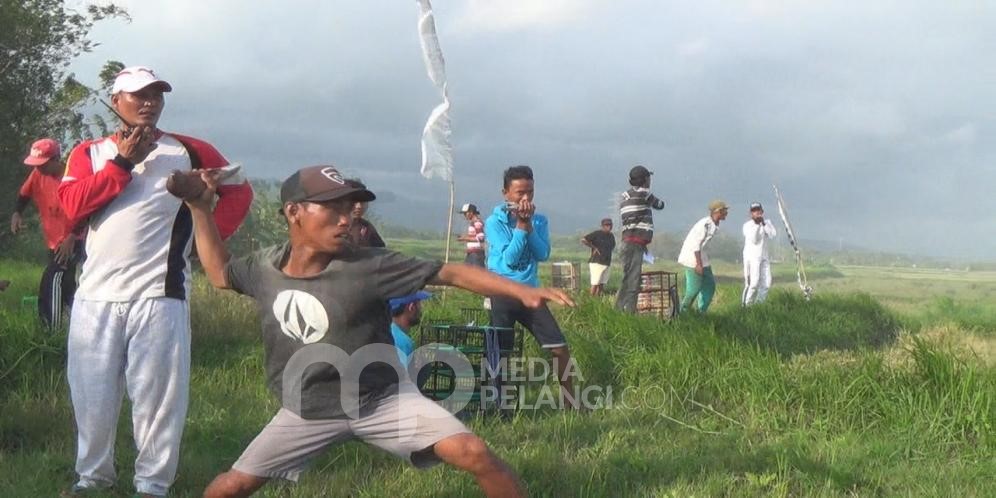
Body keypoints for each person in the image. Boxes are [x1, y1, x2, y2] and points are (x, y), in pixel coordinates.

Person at [187, 164, 573, 498]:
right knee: (229, 489)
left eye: (348, 209)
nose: (346, 219)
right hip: (307, 409)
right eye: (333, 208)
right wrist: (200, 208)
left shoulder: (369, 265)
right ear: (293, 212)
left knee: (476, 454)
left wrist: (523, 290)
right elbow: (221, 273)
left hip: (383, 399)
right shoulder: (266, 268)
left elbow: (450, 272)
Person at [56, 66, 253, 497]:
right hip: (95, 295)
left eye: (156, 95)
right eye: (137, 95)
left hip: (160, 294)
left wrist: (206, 239)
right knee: (92, 397)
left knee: (159, 400)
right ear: (116, 101)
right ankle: (93, 477)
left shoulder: (189, 150)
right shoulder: (89, 152)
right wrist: (122, 164)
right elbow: (70, 207)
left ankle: (152, 484)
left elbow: (239, 190)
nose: (148, 102)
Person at [485, 165, 577, 407]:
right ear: (505, 193)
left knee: (559, 347)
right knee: (500, 352)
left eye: (530, 192)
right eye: (519, 193)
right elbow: (509, 261)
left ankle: (571, 400)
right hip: (502, 292)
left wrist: (529, 225)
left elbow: (543, 253)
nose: (525, 198)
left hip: (531, 294)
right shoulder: (494, 222)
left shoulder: (539, 219)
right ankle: (499, 404)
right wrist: (521, 227)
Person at [10, 138, 80, 327]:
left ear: (56, 159)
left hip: (73, 239)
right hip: (53, 241)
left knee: (52, 280)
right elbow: (24, 194)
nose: (38, 168)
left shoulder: (73, 176)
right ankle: (78, 324)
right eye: (35, 165)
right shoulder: (37, 175)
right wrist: (17, 213)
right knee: (66, 286)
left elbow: (86, 210)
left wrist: (72, 237)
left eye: (42, 164)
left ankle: (51, 328)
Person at [615, 165, 665, 313]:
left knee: (627, 278)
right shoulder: (644, 194)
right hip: (634, 244)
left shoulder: (625, 195)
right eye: (648, 178)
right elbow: (660, 205)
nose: (650, 180)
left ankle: (618, 310)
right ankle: (628, 313)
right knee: (633, 281)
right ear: (644, 180)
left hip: (628, 242)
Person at [677, 200, 728, 314]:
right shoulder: (705, 224)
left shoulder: (714, 223)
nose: (726, 213)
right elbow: (695, 244)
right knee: (693, 289)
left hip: (702, 255)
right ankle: (682, 313)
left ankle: (701, 312)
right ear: (717, 211)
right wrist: (698, 264)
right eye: (724, 210)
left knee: (709, 286)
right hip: (692, 257)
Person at [741, 202, 777, 306]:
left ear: (762, 211)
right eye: (754, 211)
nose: (756, 212)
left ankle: (758, 306)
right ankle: (746, 306)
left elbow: (772, 234)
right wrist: (757, 225)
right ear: (751, 213)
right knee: (753, 284)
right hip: (751, 258)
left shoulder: (767, 222)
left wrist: (764, 224)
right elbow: (754, 239)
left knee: (766, 284)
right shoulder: (747, 225)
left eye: (758, 210)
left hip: (764, 257)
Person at [389, 290, 432, 365]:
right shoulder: (402, 342)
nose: (421, 308)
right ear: (411, 307)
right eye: (419, 303)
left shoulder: (385, 331)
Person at [580, 218, 616, 296]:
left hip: (606, 262)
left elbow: (612, 246)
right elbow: (584, 240)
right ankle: (590, 300)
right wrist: (594, 247)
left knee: (601, 284)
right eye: (606, 225)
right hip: (596, 262)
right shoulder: (597, 234)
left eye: (610, 225)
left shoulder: (611, 236)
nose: (609, 227)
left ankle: (597, 300)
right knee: (595, 283)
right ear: (602, 226)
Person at [347, 178, 385, 248]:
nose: (359, 206)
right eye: (354, 201)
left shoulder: (366, 227)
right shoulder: (331, 226)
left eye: (362, 202)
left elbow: (381, 252)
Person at [457, 203, 486, 267]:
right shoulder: (473, 223)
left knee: (477, 274)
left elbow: (480, 237)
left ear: (471, 212)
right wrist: (464, 237)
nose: (464, 215)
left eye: (465, 213)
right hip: (471, 254)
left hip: (476, 254)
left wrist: (464, 238)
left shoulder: (477, 222)